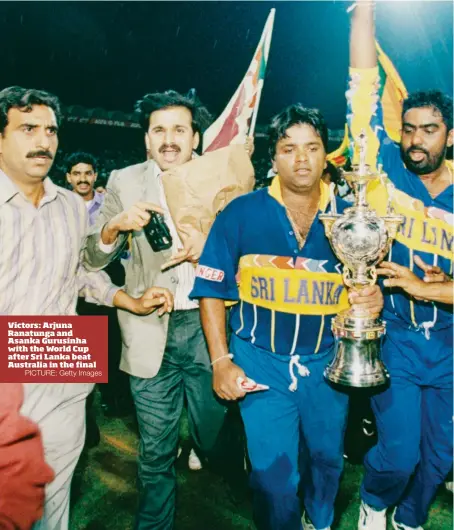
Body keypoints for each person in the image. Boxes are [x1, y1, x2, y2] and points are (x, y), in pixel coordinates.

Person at [190, 104, 383, 530]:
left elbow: (375, 282)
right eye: (288, 148)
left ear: (325, 155)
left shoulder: (354, 218)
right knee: (272, 479)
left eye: (311, 147)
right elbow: (210, 289)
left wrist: (372, 299)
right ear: (273, 158)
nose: (300, 158)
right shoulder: (241, 212)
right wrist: (222, 361)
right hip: (261, 363)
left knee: (326, 463)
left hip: (327, 365)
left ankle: (319, 521)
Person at [0, 85, 173, 530]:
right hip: (5, 382)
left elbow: (79, 274)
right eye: (27, 129)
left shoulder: (70, 208)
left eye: (51, 130)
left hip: (60, 365)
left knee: (54, 493)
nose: (43, 141)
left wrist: (129, 302)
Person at [83, 90, 229, 530]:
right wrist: (114, 226)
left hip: (209, 331)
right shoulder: (124, 181)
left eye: (179, 130)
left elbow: (248, 256)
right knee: (154, 453)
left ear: (196, 138)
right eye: (159, 130)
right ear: (147, 140)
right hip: (149, 331)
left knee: (214, 434)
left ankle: (208, 449)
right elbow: (92, 260)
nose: (169, 139)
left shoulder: (222, 180)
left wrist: (214, 247)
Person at [347, 4, 453, 529]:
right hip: (400, 337)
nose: (416, 140)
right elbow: (361, 93)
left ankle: (410, 519)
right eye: (409, 129)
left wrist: (435, 288)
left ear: (450, 135)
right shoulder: (386, 168)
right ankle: (373, 501)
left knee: (442, 455)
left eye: (430, 130)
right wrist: (362, 20)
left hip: (452, 344)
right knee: (402, 451)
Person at [66, 151, 130, 421]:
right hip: (75, 282)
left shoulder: (108, 204)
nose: (82, 179)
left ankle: (114, 396)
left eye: (87, 173)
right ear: (68, 177)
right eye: (77, 173)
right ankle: (87, 405)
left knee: (113, 342)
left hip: (110, 275)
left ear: (94, 176)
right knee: (85, 346)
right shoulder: (62, 205)